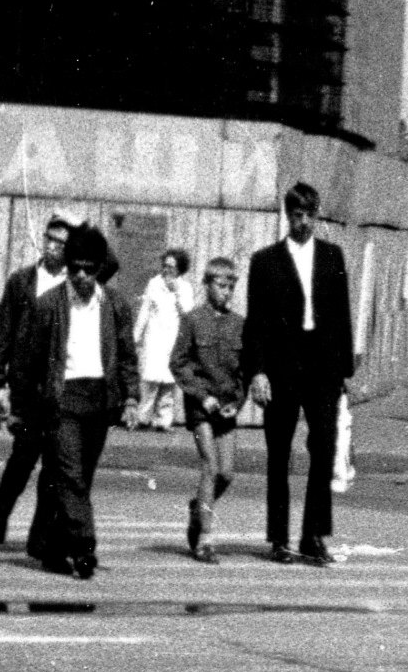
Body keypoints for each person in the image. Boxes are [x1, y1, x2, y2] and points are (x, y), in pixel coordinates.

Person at [241, 180, 356, 566]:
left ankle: (313, 535)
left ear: (317, 215)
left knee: (323, 449)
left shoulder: (332, 256)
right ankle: (278, 537)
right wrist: (257, 372)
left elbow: (342, 315)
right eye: (296, 215)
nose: (302, 222)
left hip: (322, 367)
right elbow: (255, 322)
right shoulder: (265, 260)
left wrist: (343, 371)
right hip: (281, 367)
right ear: (286, 215)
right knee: (279, 452)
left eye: (309, 215)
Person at [15, 223, 126, 578]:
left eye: (89, 269)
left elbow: (127, 356)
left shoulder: (114, 304)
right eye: (74, 267)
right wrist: (18, 405)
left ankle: (50, 547)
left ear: (98, 268)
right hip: (62, 400)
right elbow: (27, 359)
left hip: (99, 398)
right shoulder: (48, 304)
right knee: (70, 476)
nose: (81, 275)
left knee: (78, 479)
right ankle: (83, 546)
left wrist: (134, 398)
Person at [0, 216, 75, 548]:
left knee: (53, 466)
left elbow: (110, 262)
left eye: (62, 242)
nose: (53, 246)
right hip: (26, 386)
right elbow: (3, 333)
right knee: (23, 457)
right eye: (49, 238)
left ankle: (39, 535)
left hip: (61, 387)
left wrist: (84, 227)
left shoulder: (74, 285)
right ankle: (0, 510)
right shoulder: (21, 281)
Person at [169, 255, 249, 560]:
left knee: (226, 474)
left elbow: (243, 372)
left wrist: (237, 404)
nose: (226, 291)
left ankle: (198, 508)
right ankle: (204, 538)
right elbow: (178, 363)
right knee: (210, 466)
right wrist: (202, 396)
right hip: (201, 408)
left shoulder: (239, 324)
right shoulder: (192, 320)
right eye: (220, 285)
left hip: (226, 409)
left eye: (231, 286)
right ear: (206, 285)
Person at [133, 246, 194, 432]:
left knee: (169, 382)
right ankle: (143, 418)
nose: (167, 270)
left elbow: (188, 313)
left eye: (172, 267)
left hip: (173, 339)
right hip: (154, 338)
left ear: (180, 269)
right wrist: (136, 336)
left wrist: (176, 292)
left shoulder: (185, 287)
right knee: (149, 380)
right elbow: (144, 311)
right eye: (165, 265)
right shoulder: (154, 283)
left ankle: (163, 421)